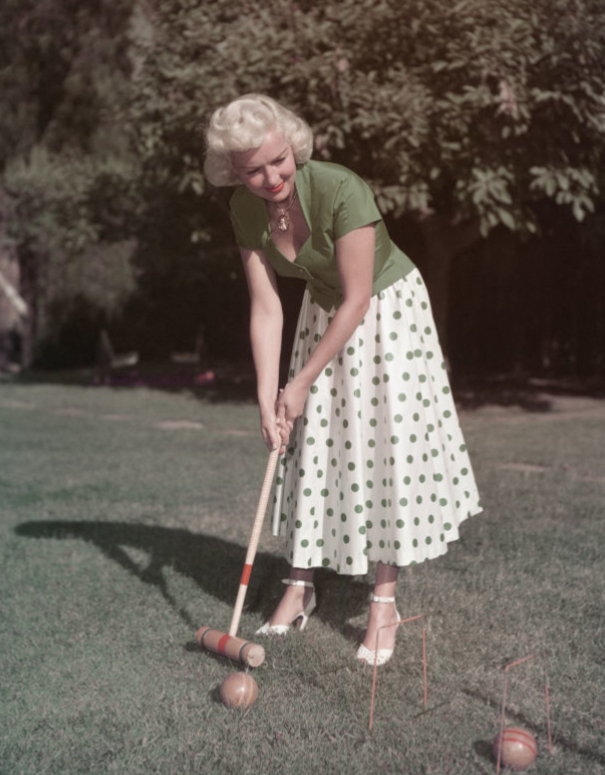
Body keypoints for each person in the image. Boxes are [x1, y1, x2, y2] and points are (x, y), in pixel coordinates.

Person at [204, 94, 482, 665]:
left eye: (279, 160)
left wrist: (300, 381)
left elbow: (358, 298)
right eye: (252, 170)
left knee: (383, 451)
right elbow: (265, 306)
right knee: (312, 450)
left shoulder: (340, 188)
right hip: (319, 313)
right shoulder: (245, 209)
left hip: (385, 313)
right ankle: (298, 587)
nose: (271, 177)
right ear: (234, 172)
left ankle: (383, 602)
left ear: (293, 145)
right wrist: (267, 397)